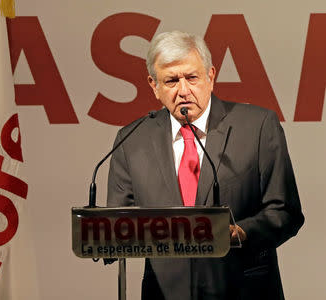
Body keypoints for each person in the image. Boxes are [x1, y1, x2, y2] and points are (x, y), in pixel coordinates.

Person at [106, 30, 304, 300]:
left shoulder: (257, 126)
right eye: (172, 81)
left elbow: (285, 211)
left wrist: (241, 232)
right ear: (154, 86)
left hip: (244, 290)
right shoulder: (132, 140)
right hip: (165, 292)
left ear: (211, 76)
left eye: (192, 77)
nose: (183, 90)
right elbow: (117, 225)